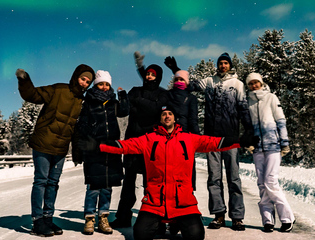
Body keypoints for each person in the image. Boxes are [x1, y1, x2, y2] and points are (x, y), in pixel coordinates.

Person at [86, 105, 241, 240]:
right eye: (163, 114)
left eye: (170, 114)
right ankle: (161, 223)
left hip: (183, 202)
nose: (167, 116)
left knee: (196, 236)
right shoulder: (148, 139)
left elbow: (214, 143)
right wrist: (99, 146)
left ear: (175, 119)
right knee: (140, 234)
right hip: (155, 201)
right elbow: (124, 146)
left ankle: (176, 222)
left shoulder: (188, 139)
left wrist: (240, 141)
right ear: (160, 119)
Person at [165, 52, 255, 231]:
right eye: (220, 63)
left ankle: (237, 217)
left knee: (234, 178)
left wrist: (249, 131)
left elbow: (244, 108)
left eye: (225, 63)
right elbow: (189, 86)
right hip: (212, 138)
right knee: (214, 178)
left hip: (231, 138)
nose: (223, 66)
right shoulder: (209, 81)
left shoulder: (237, 84)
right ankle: (218, 215)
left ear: (230, 65)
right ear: (217, 65)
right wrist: (176, 70)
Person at [16, 64, 94, 237]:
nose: (84, 84)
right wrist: (24, 80)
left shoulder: (82, 101)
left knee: (53, 184)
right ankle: (37, 221)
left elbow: (76, 128)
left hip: (61, 148)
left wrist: (76, 150)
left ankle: (47, 218)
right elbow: (33, 95)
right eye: (83, 79)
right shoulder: (59, 89)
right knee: (41, 181)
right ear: (76, 77)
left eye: (88, 82)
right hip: (43, 143)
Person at [109, 52, 168, 229]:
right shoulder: (135, 90)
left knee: (151, 183)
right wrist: (126, 99)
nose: (149, 76)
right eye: (147, 73)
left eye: (152, 74)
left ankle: (154, 218)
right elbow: (126, 110)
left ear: (158, 78)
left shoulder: (163, 95)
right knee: (129, 182)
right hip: (133, 141)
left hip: (152, 144)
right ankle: (123, 216)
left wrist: (139, 103)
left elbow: (154, 111)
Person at [72, 70, 130, 235]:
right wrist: (88, 139)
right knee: (94, 187)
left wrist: (123, 95)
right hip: (94, 148)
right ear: (95, 85)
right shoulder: (88, 102)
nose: (104, 87)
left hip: (111, 148)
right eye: (100, 84)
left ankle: (103, 218)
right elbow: (81, 124)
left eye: (106, 84)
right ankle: (89, 218)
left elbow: (124, 112)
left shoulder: (113, 102)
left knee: (107, 187)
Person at [245, 72, 294, 233]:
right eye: (251, 83)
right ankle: (268, 221)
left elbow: (281, 121)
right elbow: (247, 127)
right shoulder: (248, 102)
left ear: (261, 82)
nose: (254, 85)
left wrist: (284, 142)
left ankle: (287, 218)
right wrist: (248, 144)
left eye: (256, 82)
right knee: (261, 183)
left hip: (273, 145)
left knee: (270, 181)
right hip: (257, 148)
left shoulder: (271, 98)